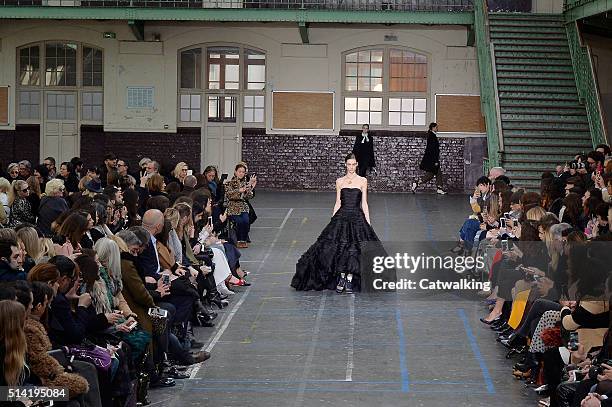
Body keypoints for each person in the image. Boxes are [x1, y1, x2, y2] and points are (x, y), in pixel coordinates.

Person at [291, 152, 386, 293]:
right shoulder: (339, 181)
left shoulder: (362, 181)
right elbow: (337, 202)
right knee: (339, 249)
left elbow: (364, 203)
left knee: (354, 249)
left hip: (357, 217)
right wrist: (332, 220)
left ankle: (349, 279)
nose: (351, 167)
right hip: (341, 217)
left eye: (353, 164)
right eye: (349, 164)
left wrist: (368, 222)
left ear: (357, 165)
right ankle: (342, 277)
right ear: (345, 164)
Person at [411, 122, 446, 195]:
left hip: (431, 160)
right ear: (433, 128)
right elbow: (433, 150)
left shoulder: (431, 135)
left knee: (432, 174)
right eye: (436, 127)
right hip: (432, 160)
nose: (437, 128)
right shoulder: (432, 136)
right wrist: (435, 160)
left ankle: (417, 183)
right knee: (435, 173)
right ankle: (439, 188)